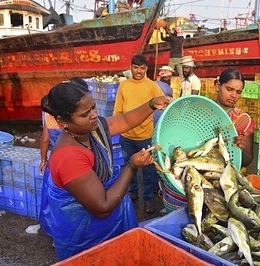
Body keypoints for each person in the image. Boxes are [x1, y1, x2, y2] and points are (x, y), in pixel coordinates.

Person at [39, 80, 172, 260]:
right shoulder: (68, 157)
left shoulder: (94, 128)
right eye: (85, 114)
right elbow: (102, 207)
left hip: (108, 222)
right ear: (63, 122)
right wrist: (132, 166)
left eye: (93, 107)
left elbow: (125, 120)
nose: (94, 115)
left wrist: (151, 104)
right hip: (83, 235)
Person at [113, 54, 165, 214]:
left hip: (146, 136)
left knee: (149, 170)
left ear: (146, 69)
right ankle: (134, 193)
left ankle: (149, 199)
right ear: (131, 67)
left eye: (142, 68)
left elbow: (162, 102)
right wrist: (116, 129)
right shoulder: (124, 85)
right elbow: (118, 110)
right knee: (130, 167)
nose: (139, 71)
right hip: (127, 137)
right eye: (136, 67)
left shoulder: (151, 85)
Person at [214, 68, 255, 168]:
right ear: (218, 86)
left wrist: (240, 149)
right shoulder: (203, 109)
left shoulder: (243, 120)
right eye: (229, 89)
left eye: (238, 92)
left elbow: (247, 160)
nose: (233, 95)